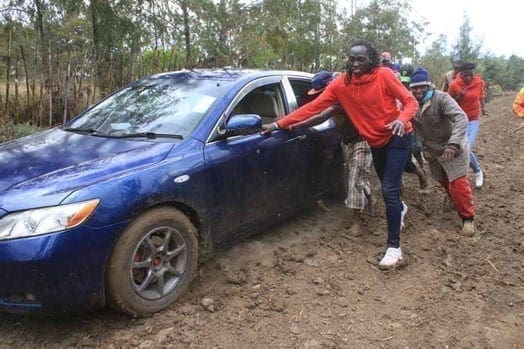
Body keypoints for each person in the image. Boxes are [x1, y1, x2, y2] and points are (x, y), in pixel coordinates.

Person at [262, 40, 418, 269]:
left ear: (371, 60)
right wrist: (279, 124)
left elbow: (410, 101)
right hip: (375, 141)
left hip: (398, 135)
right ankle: (400, 208)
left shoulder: (384, 75)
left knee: (389, 190)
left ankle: (394, 249)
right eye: (351, 58)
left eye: (360, 59)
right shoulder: (341, 84)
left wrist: (401, 119)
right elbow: (313, 108)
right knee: (389, 190)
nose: (354, 63)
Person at [284, 71, 375, 232]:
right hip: (348, 142)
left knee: (354, 179)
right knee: (357, 175)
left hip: (362, 141)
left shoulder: (342, 99)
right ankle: (370, 197)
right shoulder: (333, 99)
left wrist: (296, 124)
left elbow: (320, 117)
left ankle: (358, 221)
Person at [409, 68, 476, 236]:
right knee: (443, 180)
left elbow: (461, 118)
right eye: (414, 87)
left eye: (421, 87)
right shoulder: (410, 103)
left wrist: (453, 144)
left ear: (429, 85)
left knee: (458, 183)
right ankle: (453, 199)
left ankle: (467, 218)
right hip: (433, 150)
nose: (418, 90)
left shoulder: (441, 98)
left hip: (453, 146)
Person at [448, 62, 487, 189]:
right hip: (458, 121)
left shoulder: (479, 82)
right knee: (462, 149)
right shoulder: (455, 85)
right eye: (466, 75)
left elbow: (481, 97)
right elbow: (448, 101)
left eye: (471, 75)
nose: (469, 78)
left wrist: (484, 108)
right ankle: (476, 171)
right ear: (460, 74)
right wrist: (460, 96)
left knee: (466, 148)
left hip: (473, 120)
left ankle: (477, 173)